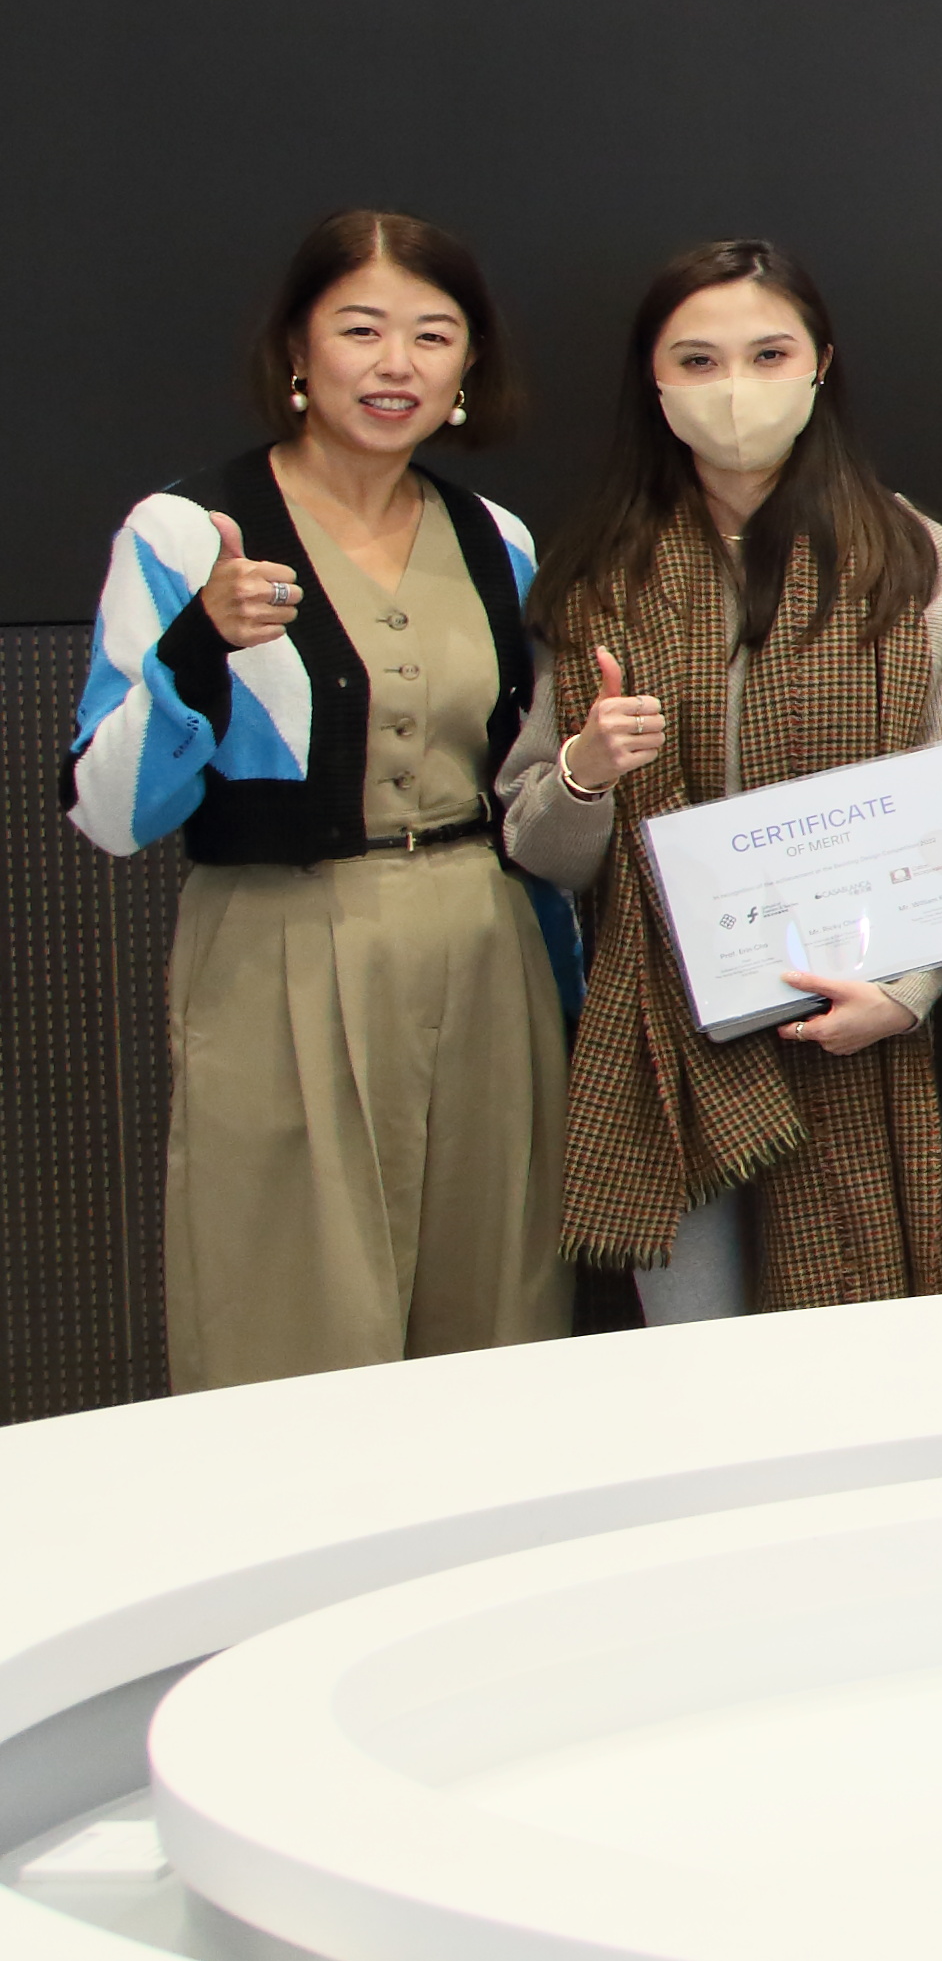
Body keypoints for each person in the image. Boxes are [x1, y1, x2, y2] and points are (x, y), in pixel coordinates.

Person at [64, 214, 572, 1387]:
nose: (397, 364)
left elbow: (524, 777)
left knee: (499, 1325)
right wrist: (197, 647)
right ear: (298, 349)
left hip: (488, 952)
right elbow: (105, 811)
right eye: (361, 330)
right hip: (280, 948)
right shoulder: (186, 532)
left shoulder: (496, 540)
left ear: (469, 364)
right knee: (290, 1323)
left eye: (433, 335)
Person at [515, 240, 942, 1319]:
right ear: (654, 380)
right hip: (663, 1040)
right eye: (699, 360)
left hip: (847, 1017)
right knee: (701, 1367)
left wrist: (904, 995)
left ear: (822, 365)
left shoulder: (909, 557)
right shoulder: (594, 576)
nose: (735, 388)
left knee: (850, 1366)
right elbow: (541, 849)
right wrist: (586, 771)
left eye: (769, 354)